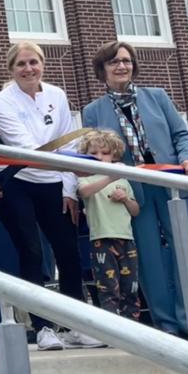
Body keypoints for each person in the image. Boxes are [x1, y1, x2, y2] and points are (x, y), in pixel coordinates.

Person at [83, 40, 188, 339]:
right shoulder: (92, 111)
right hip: (131, 193)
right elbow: (92, 155)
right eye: (114, 62)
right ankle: (166, 324)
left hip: (171, 184)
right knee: (148, 258)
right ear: (103, 70)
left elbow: (181, 134)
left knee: (186, 253)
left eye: (126, 60)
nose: (121, 66)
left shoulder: (157, 96)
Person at [0, 42, 102, 350]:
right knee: (31, 250)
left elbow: (69, 147)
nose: (28, 69)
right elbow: (27, 148)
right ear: (11, 69)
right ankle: (42, 327)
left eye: (33, 62)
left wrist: (69, 189)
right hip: (18, 179)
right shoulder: (2, 100)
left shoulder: (57, 95)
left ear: (43, 64)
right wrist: (61, 162)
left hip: (54, 180)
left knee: (68, 251)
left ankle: (75, 326)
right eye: (21, 64)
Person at [76, 131, 142, 322]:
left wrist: (126, 199)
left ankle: (133, 325)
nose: (99, 157)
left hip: (126, 238)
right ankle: (112, 326)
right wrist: (110, 178)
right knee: (107, 287)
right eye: (93, 152)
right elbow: (84, 192)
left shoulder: (123, 179)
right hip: (101, 239)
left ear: (114, 155)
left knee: (130, 286)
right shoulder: (86, 177)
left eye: (104, 153)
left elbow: (135, 210)